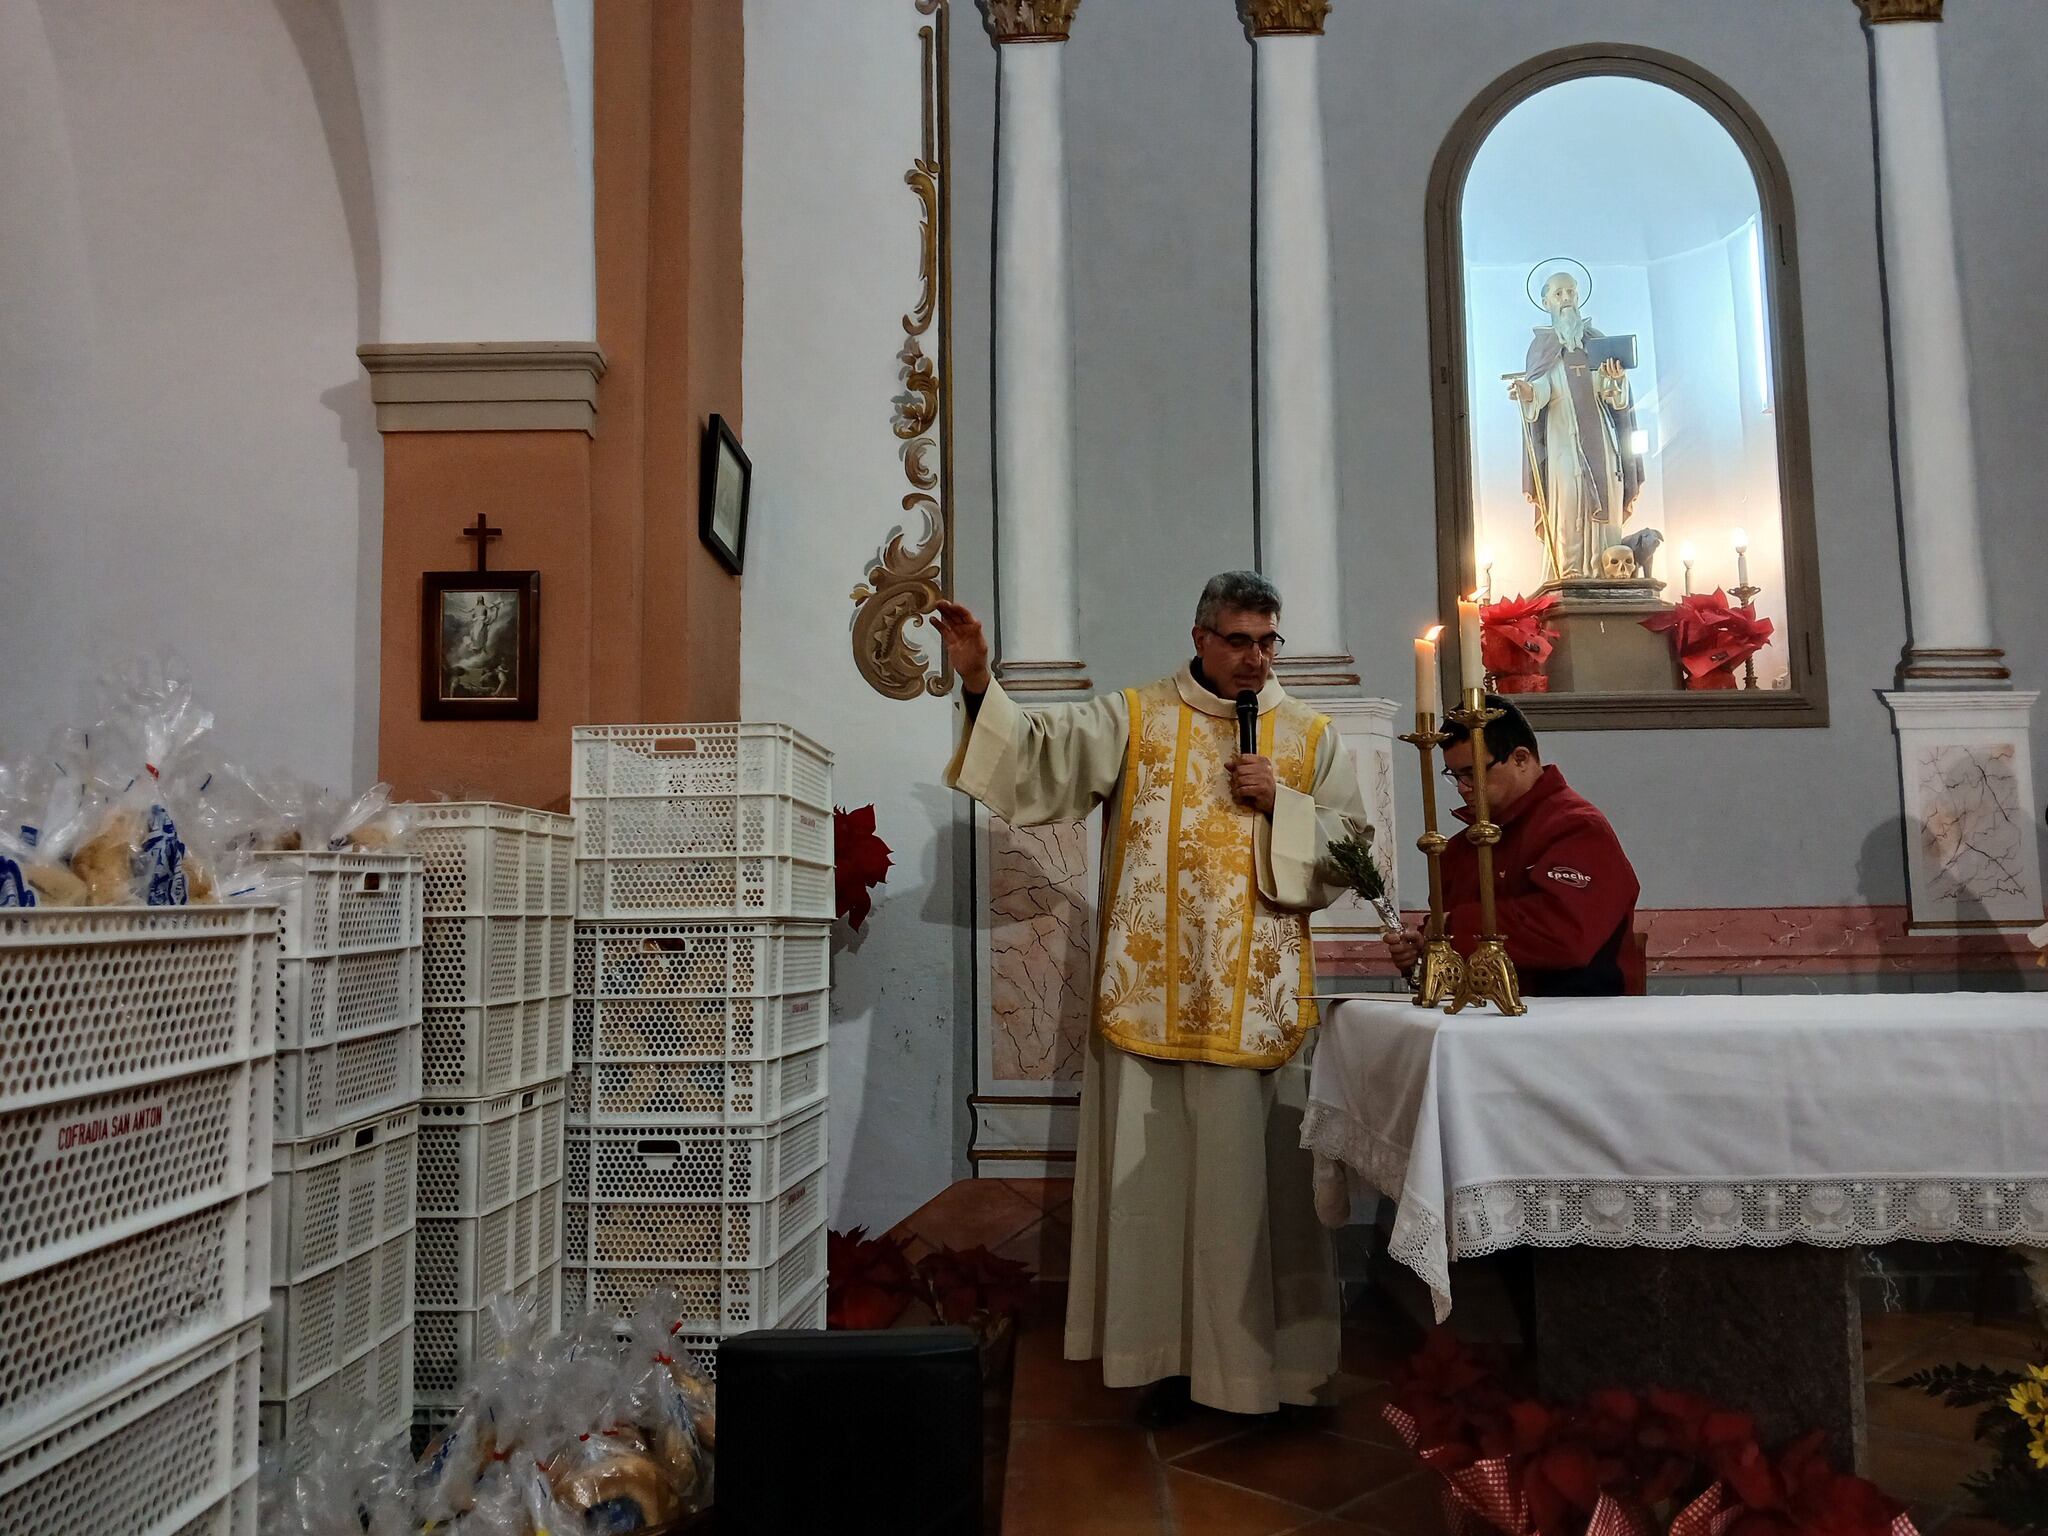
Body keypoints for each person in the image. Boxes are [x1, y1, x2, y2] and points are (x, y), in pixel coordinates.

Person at [933, 572, 1366, 1425]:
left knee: (1256, 1195)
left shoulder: (1308, 737)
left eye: (1267, 641)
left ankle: (1266, 1372)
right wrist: (980, 678)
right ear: (1201, 637)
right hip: (1152, 1001)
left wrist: (1285, 802)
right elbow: (1036, 756)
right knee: (1153, 1197)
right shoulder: (1133, 717)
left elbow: (1354, 856)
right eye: (1238, 640)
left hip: (1257, 1009)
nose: (1254, 659)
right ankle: (1163, 1364)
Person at [1386, 695, 1639, 995]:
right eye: (1455, 776)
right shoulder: (1460, 848)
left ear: (1520, 758)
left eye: (1472, 772)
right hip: (1482, 1015)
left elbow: (1565, 934)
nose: (1464, 787)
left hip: (1574, 1016)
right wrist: (1426, 946)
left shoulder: (1578, 828)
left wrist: (1451, 927)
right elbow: (1451, 929)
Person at [1509, 269, 1644, 583]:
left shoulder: (1596, 342)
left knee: (1607, 494)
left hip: (1600, 437)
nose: (1566, 299)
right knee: (1569, 499)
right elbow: (1541, 389)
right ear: (1545, 302)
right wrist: (1529, 392)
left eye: (1571, 292)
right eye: (1558, 294)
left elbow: (1615, 398)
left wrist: (1616, 379)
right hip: (1561, 438)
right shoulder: (1541, 349)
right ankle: (1571, 573)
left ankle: (1609, 571)